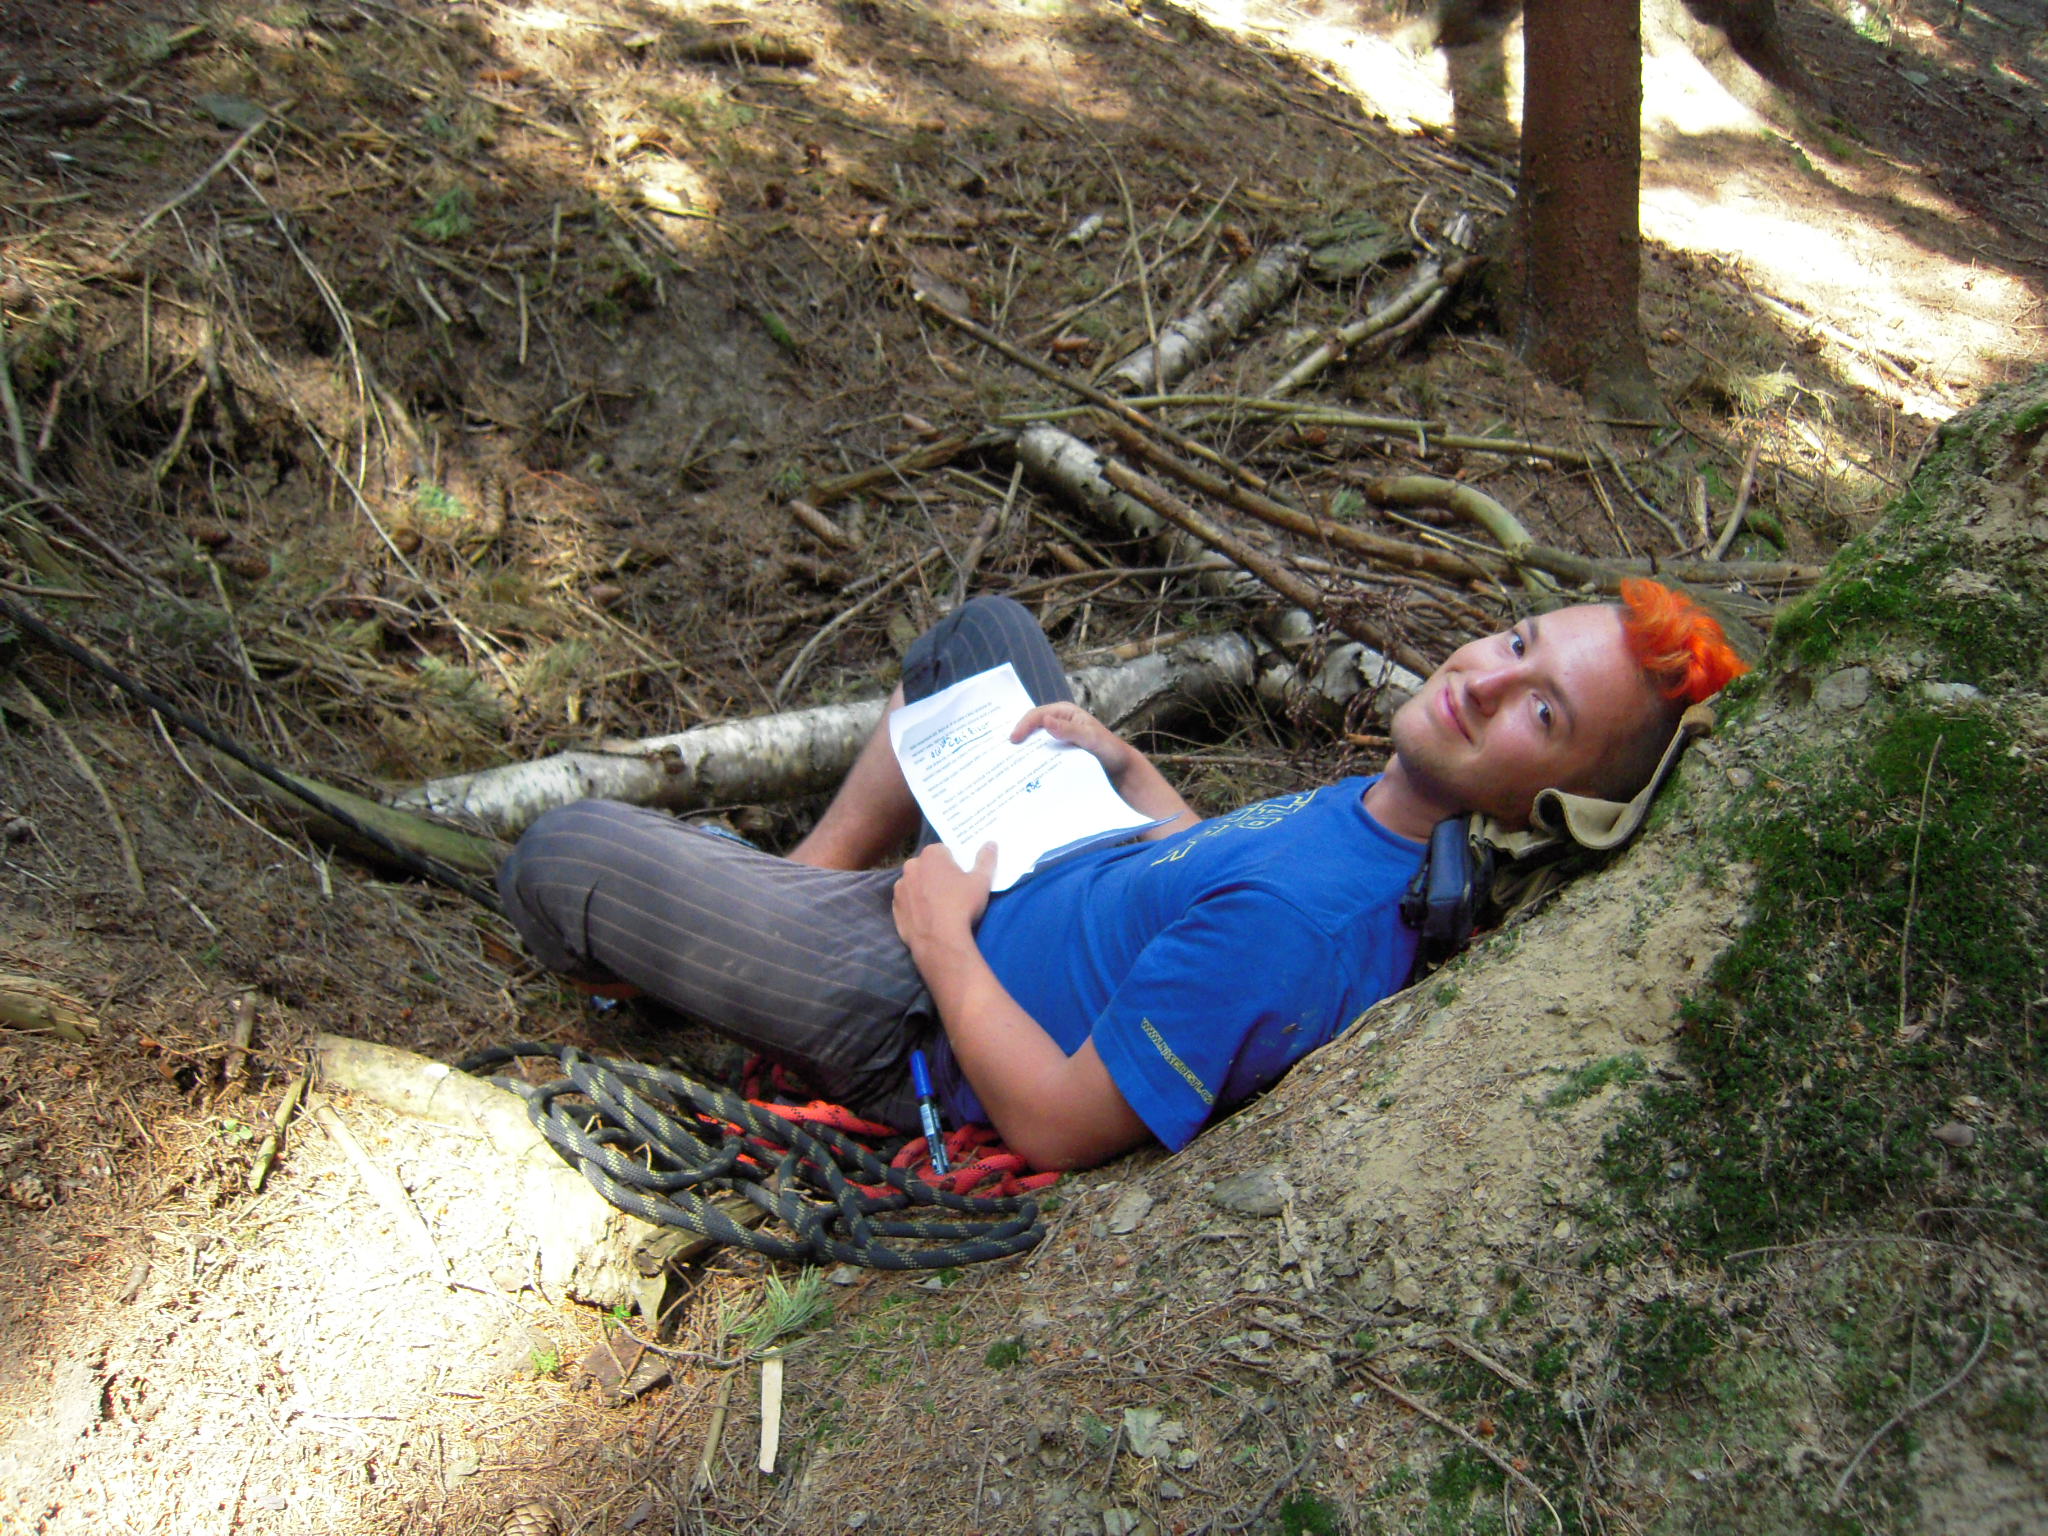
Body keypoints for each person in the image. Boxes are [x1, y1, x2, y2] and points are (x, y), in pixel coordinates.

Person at [498, 581, 1746, 1171]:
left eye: (1541, 711)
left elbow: (1058, 1123)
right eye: (1519, 641)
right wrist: (1128, 770)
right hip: (1059, 853)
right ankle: (798, 877)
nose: (1485, 678)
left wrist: (937, 937)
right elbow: (1206, 878)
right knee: (982, 640)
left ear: (1549, 805)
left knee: (559, 856)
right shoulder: (1399, 820)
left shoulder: (1310, 927)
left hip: (922, 1005)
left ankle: (756, 924)